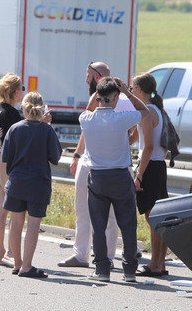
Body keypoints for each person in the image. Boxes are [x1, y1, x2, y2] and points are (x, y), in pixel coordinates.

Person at [58, 61, 132, 268]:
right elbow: (86, 126)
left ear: (97, 77)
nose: (85, 78)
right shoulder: (93, 102)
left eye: (88, 74)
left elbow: (137, 126)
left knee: (109, 216)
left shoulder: (122, 101)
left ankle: (107, 257)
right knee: (82, 210)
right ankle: (81, 255)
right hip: (88, 161)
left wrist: (124, 143)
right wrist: (77, 155)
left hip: (108, 166)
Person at [80, 77, 148, 282]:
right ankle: (129, 271)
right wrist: (128, 92)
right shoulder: (122, 118)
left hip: (98, 177)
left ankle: (101, 269)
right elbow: (146, 112)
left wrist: (97, 95)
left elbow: (89, 108)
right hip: (120, 176)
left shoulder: (85, 119)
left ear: (98, 97)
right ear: (116, 97)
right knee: (127, 225)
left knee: (98, 225)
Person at [1, 91, 61, 278]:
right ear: (42, 108)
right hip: (38, 184)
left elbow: (5, 157)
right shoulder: (47, 130)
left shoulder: (15, 128)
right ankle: (27, 266)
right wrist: (46, 125)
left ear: (24, 107)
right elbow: (56, 157)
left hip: (17, 182)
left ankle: (17, 264)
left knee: (16, 223)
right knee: (33, 225)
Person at [130, 73, 170, 277]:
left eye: (131, 88)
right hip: (158, 166)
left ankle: (155, 264)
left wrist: (139, 175)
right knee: (157, 218)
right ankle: (160, 263)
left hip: (150, 166)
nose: (130, 91)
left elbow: (148, 147)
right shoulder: (155, 109)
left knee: (152, 217)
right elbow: (136, 137)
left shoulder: (148, 111)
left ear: (138, 90)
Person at [0, 74, 25, 267]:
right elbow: (18, 140)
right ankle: (10, 252)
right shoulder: (11, 113)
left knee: (0, 209)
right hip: (8, 162)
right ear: (16, 92)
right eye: (22, 89)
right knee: (15, 209)